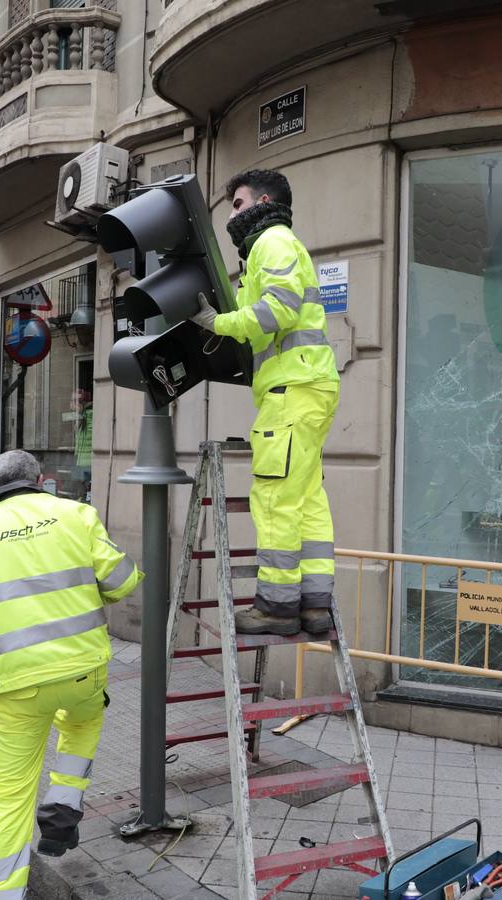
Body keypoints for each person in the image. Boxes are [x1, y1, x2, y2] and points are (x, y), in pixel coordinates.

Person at [0, 449, 142, 899]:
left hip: (13, 688)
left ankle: (1, 893)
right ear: (41, 480)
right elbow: (122, 581)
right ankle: (62, 812)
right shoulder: (76, 515)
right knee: (82, 722)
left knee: (7, 794)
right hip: (82, 672)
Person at [190, 169, 340, 637]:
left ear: (263, 200)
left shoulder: (271, 241)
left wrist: (219, 324)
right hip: (309, 388)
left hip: (291, 392)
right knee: (307, 502)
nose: (232, 214)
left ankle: (276, 607)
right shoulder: (279, 245)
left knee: (275, 499)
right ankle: (315, 607)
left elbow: (277, 310)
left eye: (237, 203)